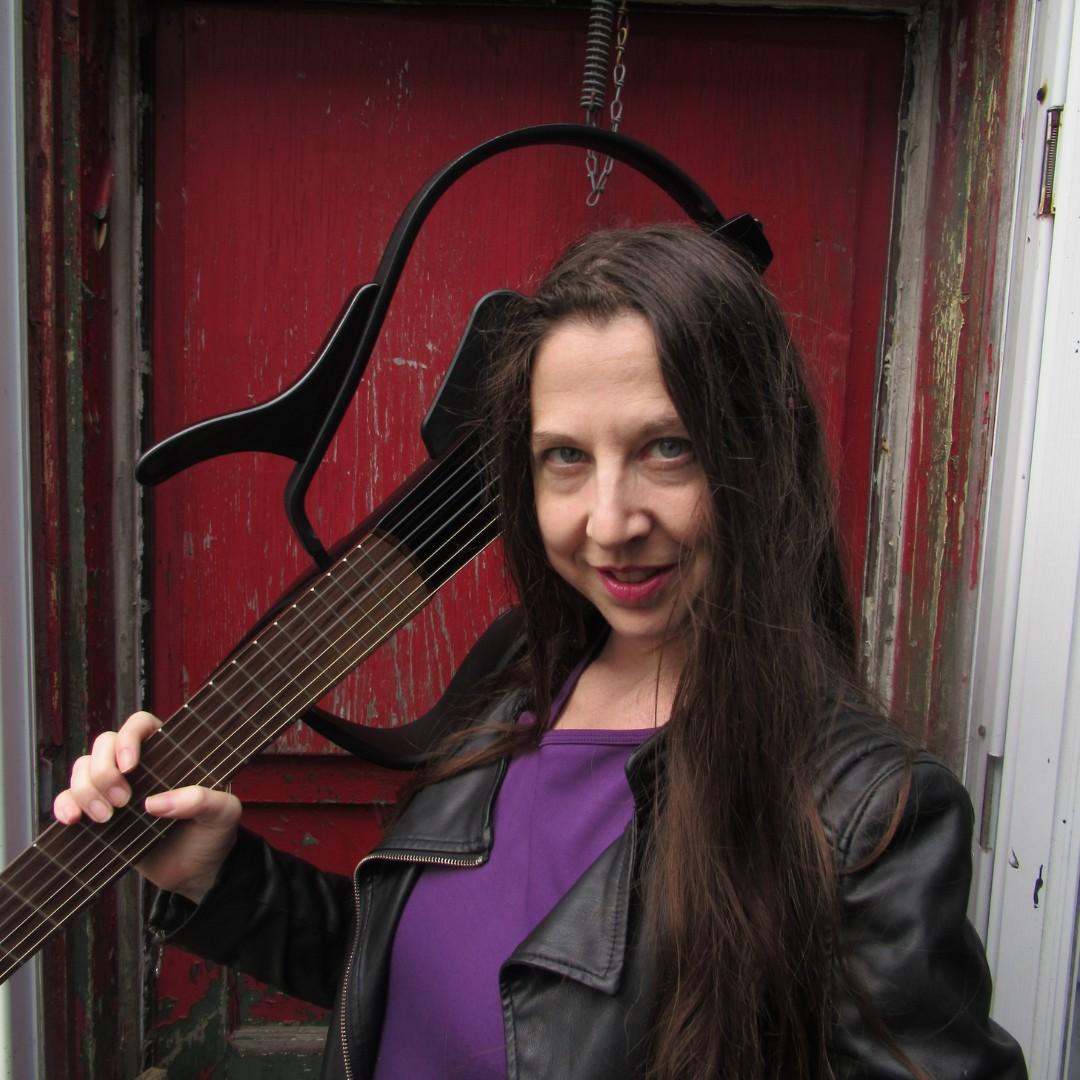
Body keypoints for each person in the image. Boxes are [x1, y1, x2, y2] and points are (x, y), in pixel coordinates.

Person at [54, 225, 1026, 1079]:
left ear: (758, 458)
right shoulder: (517, 674)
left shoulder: (859, 814)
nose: (610, 521)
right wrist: (216, 876)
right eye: (567, 457)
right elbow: (436, 984)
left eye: (668, 448)